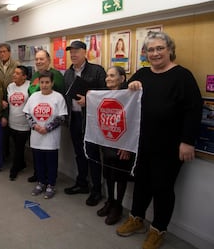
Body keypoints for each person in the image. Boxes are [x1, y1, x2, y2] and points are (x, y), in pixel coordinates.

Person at [116, 31, 202, 249]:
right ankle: (136, 218)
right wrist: (131, 86)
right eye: (151, 49)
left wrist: (187, 141)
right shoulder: (142, 74)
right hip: (143, 142)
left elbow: (194, 110)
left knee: (163, 188)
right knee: (142, 183)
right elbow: (126, 96)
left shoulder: (182, 76)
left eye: (159, 48)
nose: (155, 53)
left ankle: (158, 230)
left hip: (170, 146)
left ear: (170, 50)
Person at [63, 40, 107, 207]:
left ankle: (96, 190)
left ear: (84, 52)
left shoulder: (97, 71)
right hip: (73, 119)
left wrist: (89, 101)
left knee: (93, 156)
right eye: (71, 52)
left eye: (76, 51)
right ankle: (82, 183)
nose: (73, 54)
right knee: (79, 154)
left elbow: (107, 94)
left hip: (90, 121)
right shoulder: (67, 73)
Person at [96, 66, 134, 225]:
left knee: (120, 176)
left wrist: (128, 146)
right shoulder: (104, 94)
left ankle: (117, 206)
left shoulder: (129, 96)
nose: (108, 79)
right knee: (109, 175)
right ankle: (110, 201)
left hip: (122, 145)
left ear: (122, 78)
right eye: (107, 76)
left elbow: (133, 121)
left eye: (112, 76)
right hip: (107, 142)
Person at [23, 70, 67, 199]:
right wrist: (35, 126)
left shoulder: (58, 97)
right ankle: (41, 183)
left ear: (52, 83)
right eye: (42, 82)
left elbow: (62, 116)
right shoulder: (34, 97)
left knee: (51, 162)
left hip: (51, 138)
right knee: (39, 162)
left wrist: (47, 128)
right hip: (36, 136)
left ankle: (51, 184)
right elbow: (27, 113)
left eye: (47, 82)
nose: (44, 85)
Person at [27, 49, 65, 183]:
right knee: (38, 153)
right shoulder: (35, 75)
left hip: (50, 120)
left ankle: (49, 181)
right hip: (36, 118)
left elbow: (59, 97)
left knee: (49, 155)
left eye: (41, 59)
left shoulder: (56, 75)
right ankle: (39, 176)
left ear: (48, 60)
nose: (38, 61)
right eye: (36, 59)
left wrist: (49, 125)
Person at [0, 43, 20, 160]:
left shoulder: (17, 65)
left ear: (9, 52)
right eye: (0, 52)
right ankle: (4, 155)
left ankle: (16, 157)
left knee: (15, 130)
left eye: (4, 51)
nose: (2, 54)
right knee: (3, 129)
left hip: (15, 99)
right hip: (0, 100)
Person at [7, 65, 30, 181]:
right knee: (16, 146)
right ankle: (22, 163)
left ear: (24, 76)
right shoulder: (10, 86)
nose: (14, 75)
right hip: (12, 122)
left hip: (24, 124)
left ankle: (14, 169)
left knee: (19, 148)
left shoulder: (30, 86)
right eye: (14, 73)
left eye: (17, 73)